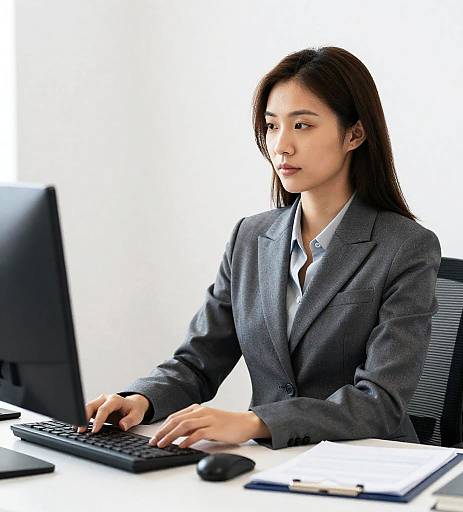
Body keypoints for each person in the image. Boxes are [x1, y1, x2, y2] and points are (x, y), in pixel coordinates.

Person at [78, 46, 441, 450]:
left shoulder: (406, 247)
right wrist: (139, 400)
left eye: (302, 125)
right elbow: (198, 361)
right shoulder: (249, 239)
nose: (281, 145)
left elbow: (380, 402)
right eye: (271, 126)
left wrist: (255, 422)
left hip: (364, 464)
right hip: (271, 463)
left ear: (354, 134)